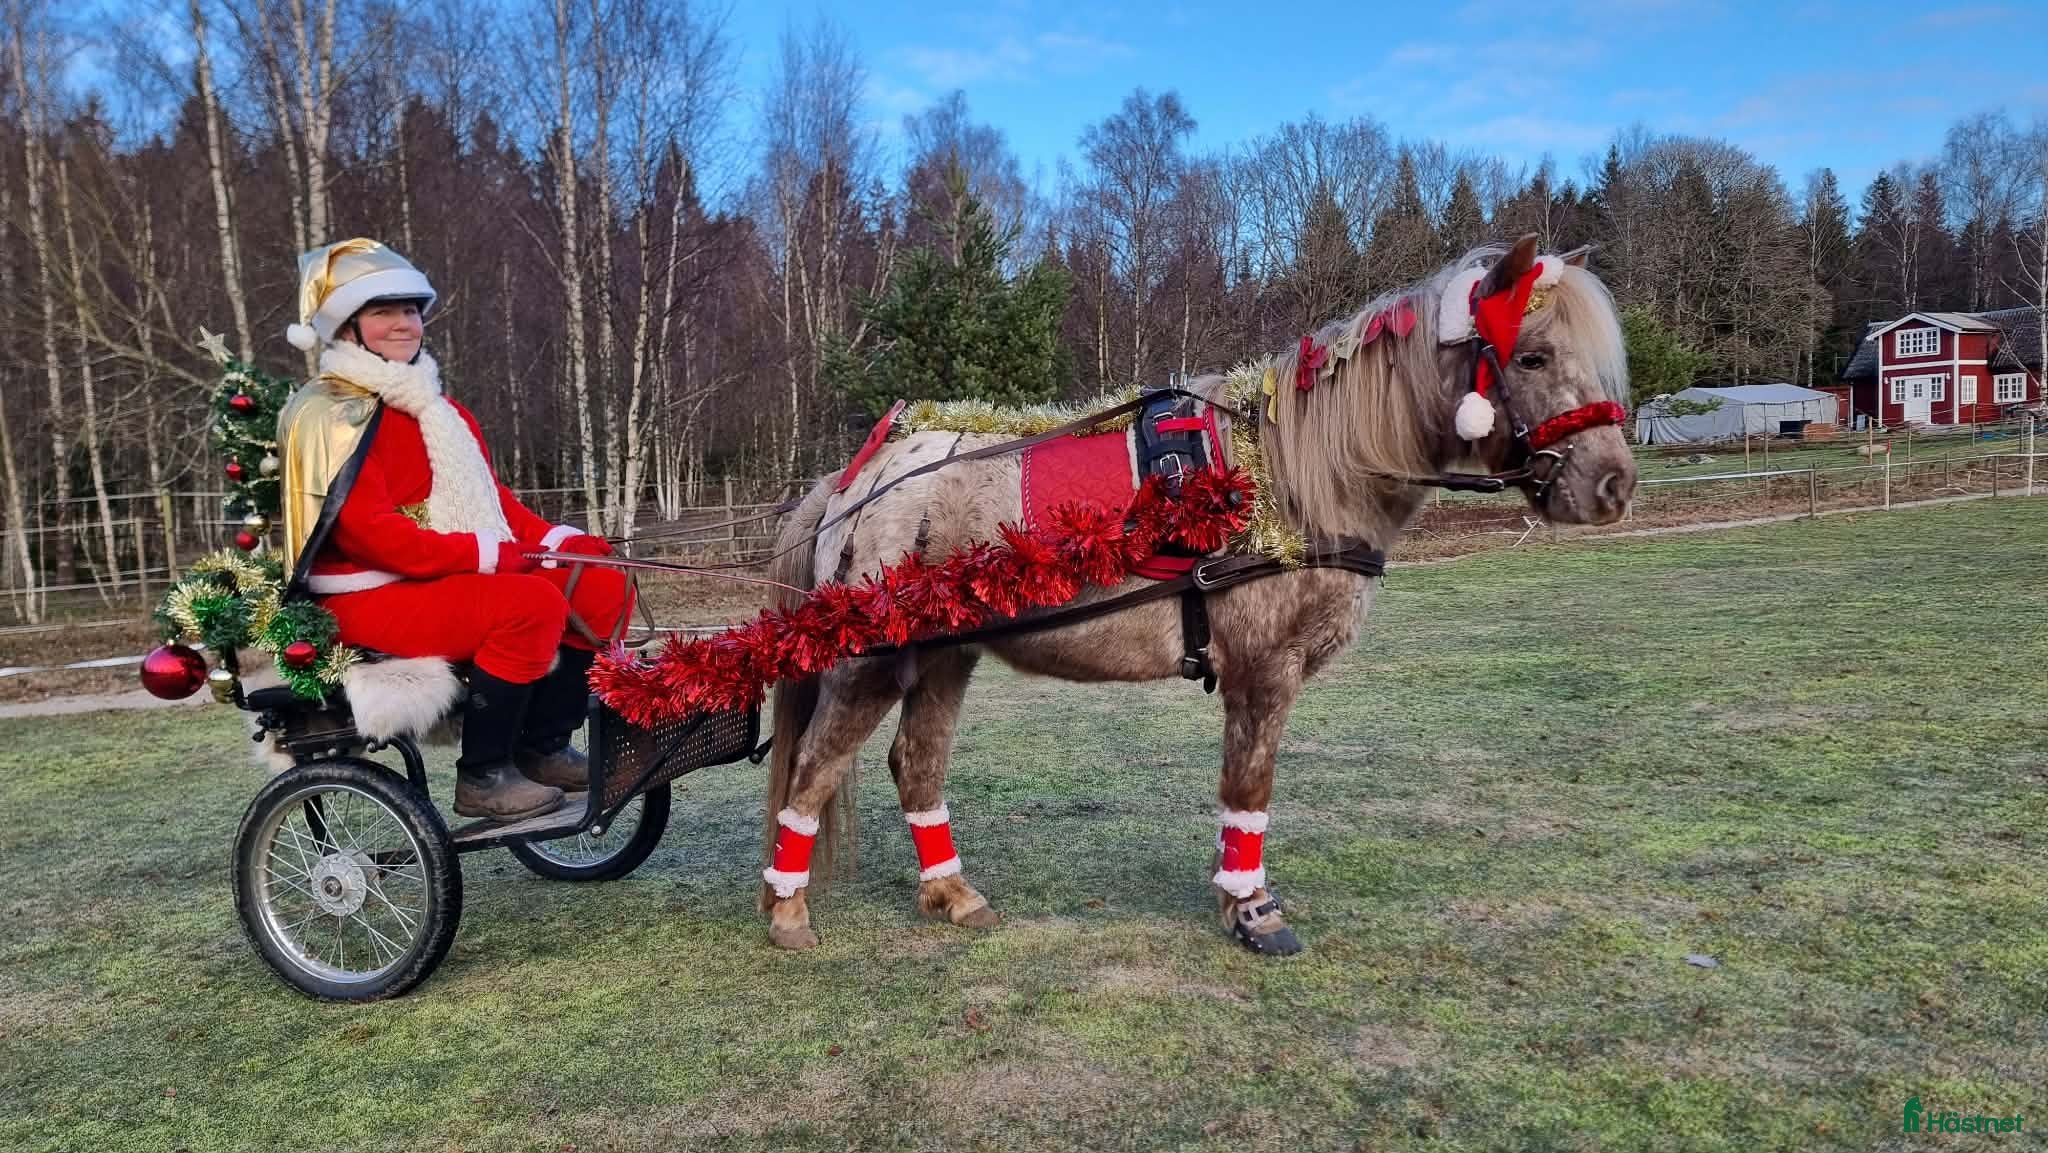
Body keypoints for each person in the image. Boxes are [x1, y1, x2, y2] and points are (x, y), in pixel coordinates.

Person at [276, 238, 631, 822]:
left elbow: (497, 505)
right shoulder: (329, 413)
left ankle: (541, 747)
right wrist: (488, 556)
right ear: (347, 328)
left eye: (411, 311)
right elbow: (370, 534)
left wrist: (561, 543)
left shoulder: (441, 411)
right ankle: (484, 776)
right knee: (525, 606)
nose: (403, 324)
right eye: (383, 312)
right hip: (369, 594)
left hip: (441, 577)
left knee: (600, 587)